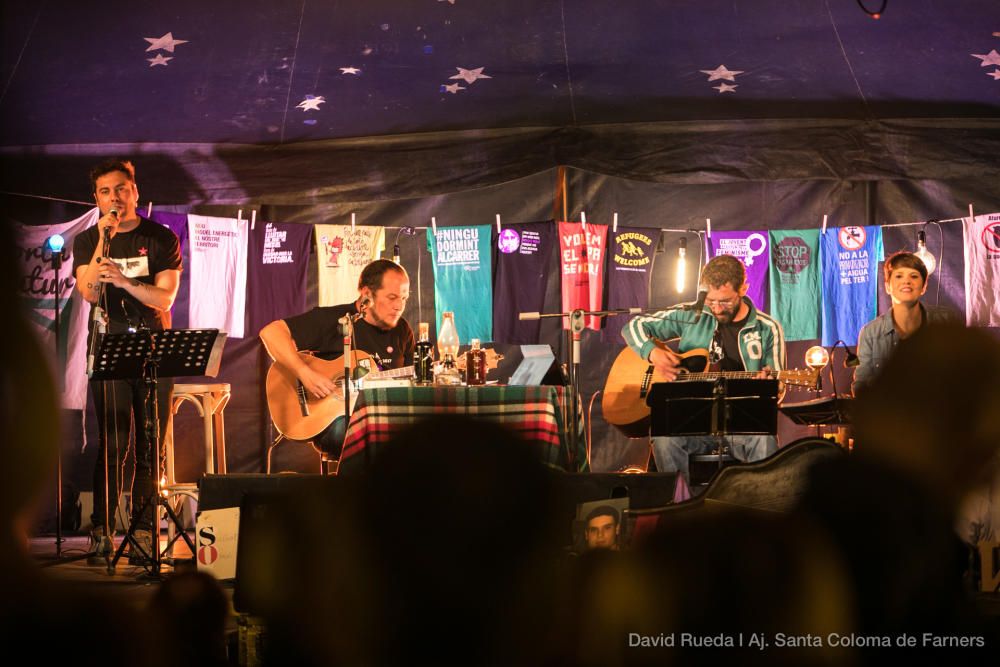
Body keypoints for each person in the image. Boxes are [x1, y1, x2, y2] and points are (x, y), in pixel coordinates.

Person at [72, 159, 182, 564]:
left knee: (151, 447)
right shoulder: (88, 241)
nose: (114, 198)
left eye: (121, 189)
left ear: (134, 192)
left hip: (153, 352)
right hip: (108, 347)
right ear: (97, 199)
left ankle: (143, 531)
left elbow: (164, 298)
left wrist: (123, 281)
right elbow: (86, 291)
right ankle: (102, 529)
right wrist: (105, 240)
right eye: (105, 192)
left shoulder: (161, 238)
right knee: (113, 443)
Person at [621, 254, 786, 482]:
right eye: (711, 300)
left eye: (725, 301)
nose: (717, 308)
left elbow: (779, 387)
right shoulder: (692, 314)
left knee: (764, 439)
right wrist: (653, 352)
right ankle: (681, 506)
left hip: (741, 427)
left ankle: (760, 506)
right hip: (690, 424)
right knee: (663, 439)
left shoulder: (767, 328)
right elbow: (634, 326)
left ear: (744, 289)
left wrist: (771, 386)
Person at [259, 259, 415, 458]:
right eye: (392, 297)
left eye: (404, 298)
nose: (399, 306)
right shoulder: (336, 319)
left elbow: (413, 382)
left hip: (381, 419)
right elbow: (271, 332)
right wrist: (305, 373)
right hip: (331, 420)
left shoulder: (403, 331)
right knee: (358, 435)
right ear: (367, 294)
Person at [852, 250, 960, 393]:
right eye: (899, 276)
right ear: (887, 286)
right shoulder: (870, 332)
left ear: (924, 287)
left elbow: (961, 375)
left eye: (914, 276)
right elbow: (861, 385)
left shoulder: (946, 321)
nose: (906, 281)